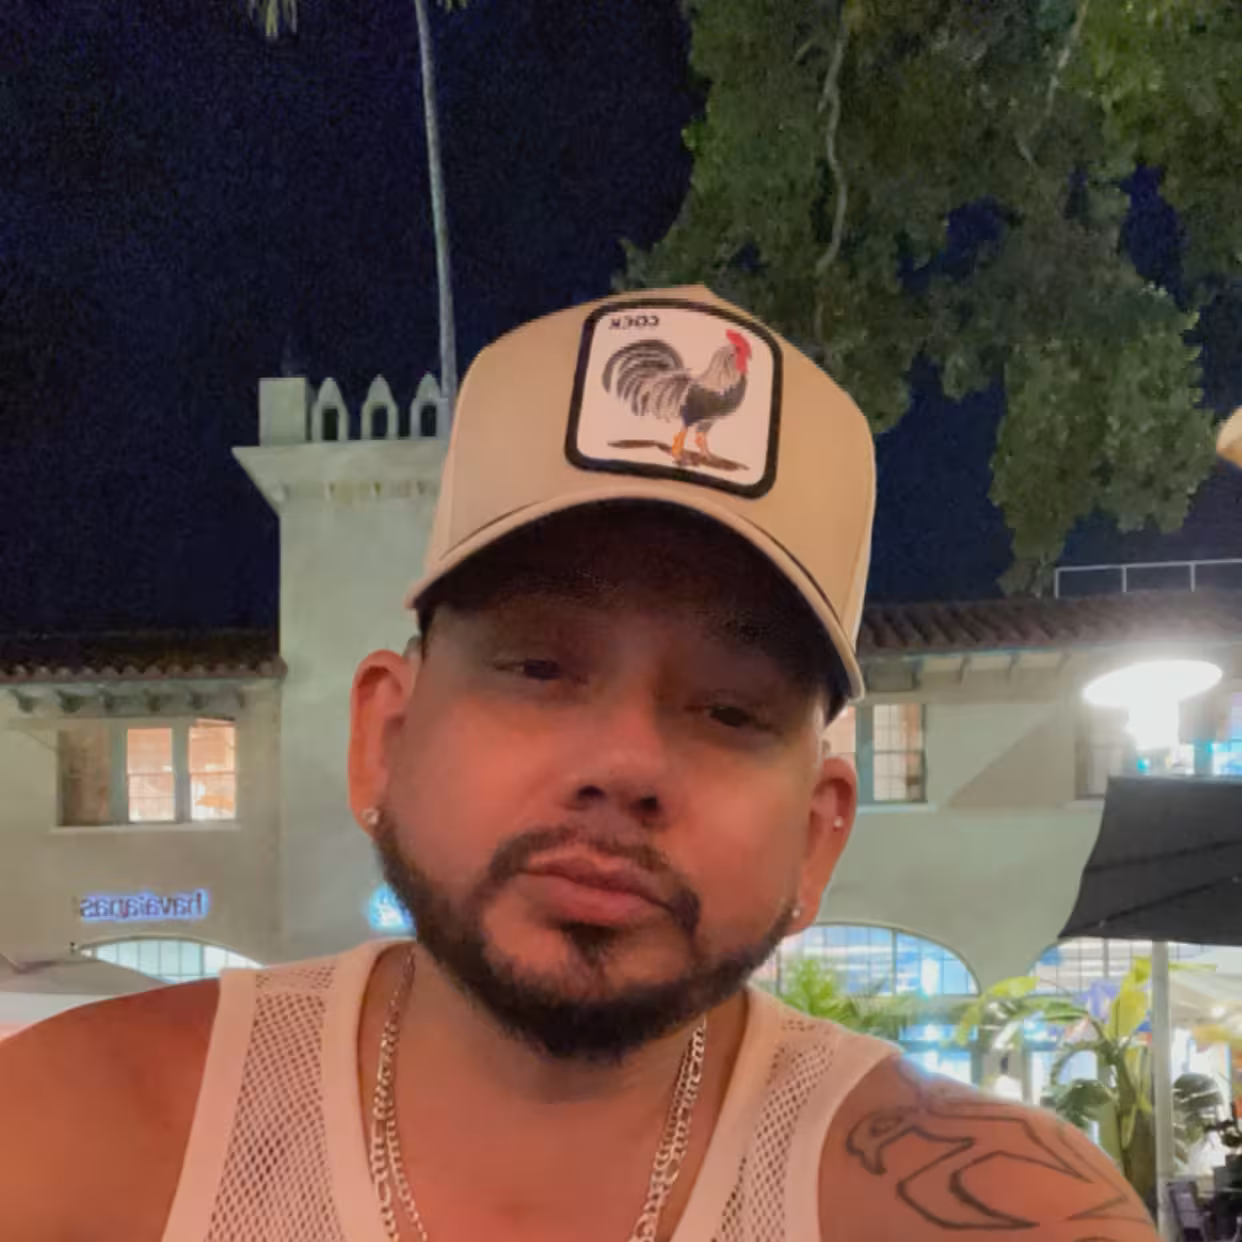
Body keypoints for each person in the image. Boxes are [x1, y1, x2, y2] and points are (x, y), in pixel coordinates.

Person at [0, 287, 1157, 1240]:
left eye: (730, 709)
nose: (625, 762)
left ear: (818, 834)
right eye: (541, 667)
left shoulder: (993, 1209)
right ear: (385, 741)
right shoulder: (69, 1145)